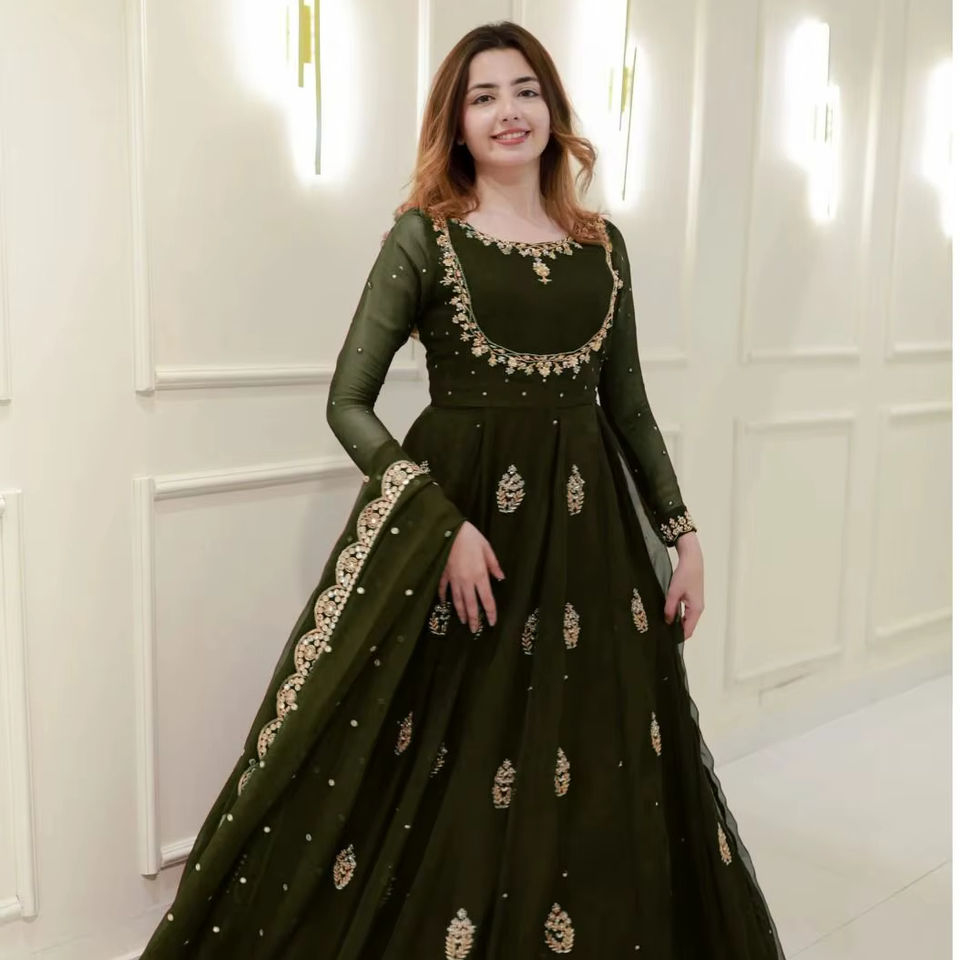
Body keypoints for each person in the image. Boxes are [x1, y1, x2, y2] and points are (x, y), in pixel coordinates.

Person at [140, 20, 785, 959]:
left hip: (589, 547)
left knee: (585, 755)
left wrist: (682, 538)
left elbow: (630, 410)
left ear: (552, 108)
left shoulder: (603, 248)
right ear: (457, 121)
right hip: (466, 535)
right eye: (483, 97)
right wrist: (438, 526)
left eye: (525, 91)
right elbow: (348, 401)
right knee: (449, 758)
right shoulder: (425, 238)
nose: (508, 112)